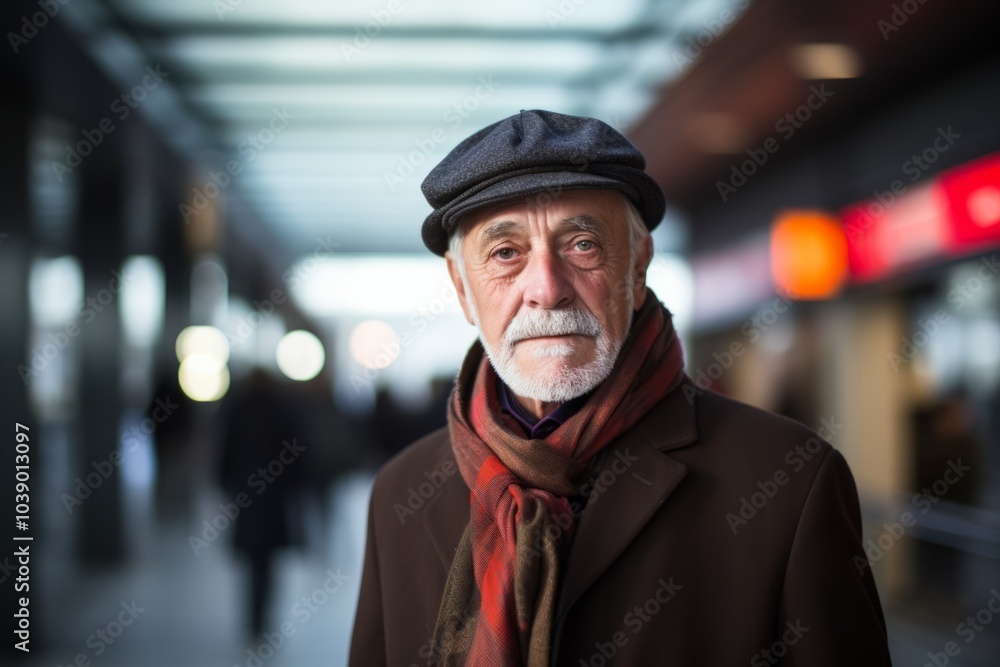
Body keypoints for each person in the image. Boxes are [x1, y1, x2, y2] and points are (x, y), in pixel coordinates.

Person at [349, 109, 892, 666]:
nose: (548, 289)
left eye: (582, 244)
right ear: (462, 289)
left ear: (637, 268)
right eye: (505, 253)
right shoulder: (399, 495)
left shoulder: (790, 480)